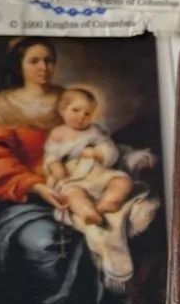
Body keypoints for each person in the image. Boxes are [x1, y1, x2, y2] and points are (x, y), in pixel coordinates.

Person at [0, 39, 155, 304]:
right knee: (46, 241)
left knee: (122, 218)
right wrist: (37, 185)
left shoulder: (69, 102)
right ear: (19, 65)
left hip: (80, 182)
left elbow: (96, 140)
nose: (44, 67)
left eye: (49, 60)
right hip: (22, 194)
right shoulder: (1, 108)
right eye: (34, 61)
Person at [44, 87, 134, 226]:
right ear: (62, 110)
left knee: (122, 181)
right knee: (72, 195)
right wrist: (55, 166)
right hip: (72, 177)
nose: (82, 116)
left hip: (97, 172)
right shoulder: (58, 133)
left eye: (87, 113)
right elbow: (50, 154)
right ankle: (88, 213)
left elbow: (109, 148)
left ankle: (107, 202)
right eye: (75, 110)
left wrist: (98, 153)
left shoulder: (94, 131)